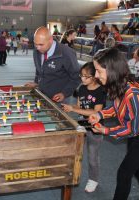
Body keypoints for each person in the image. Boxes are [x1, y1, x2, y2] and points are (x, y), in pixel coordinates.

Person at [89, 48, 139, 200]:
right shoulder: (119, 84)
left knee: (125, 172)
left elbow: (132, 129)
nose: (96, 76)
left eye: (98, 71)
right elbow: (118, 108)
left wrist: (106, 130)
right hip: (138, 133)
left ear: (112, 70)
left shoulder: (133, 94)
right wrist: (100, 114)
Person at [61, 62, 106, 193]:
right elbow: (79, 107)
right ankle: (72, 173)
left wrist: (76, 110)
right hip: (82, 125)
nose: (82, 79)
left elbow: (95, 112)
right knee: (75, 152)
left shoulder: (100, 91)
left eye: (86, 76)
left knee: (92, 157)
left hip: (95, 128)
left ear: (95, 77)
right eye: (81, 75)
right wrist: (69, 108)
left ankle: (93, 180)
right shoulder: (81, 88)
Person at [25, 26, 80, 103]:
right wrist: (36, 82)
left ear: (50, 40)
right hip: (42, 96)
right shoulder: (37, 51)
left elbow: (76, 77)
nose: (38, 48)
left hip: (61, 99)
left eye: (41, 44)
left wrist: (64, 93)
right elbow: (39, 70)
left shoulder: (66, 53)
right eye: (35, 44)